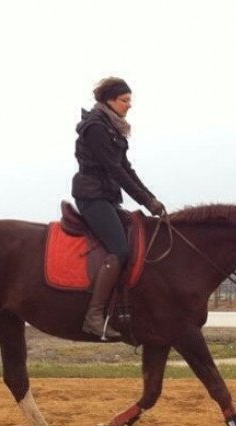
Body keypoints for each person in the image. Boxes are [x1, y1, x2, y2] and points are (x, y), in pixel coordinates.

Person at [72, 77, 165, 340]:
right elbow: (114, 170)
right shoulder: (96, 128)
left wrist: (151, 198)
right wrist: (146, 201)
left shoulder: (112, 127)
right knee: (120, 249)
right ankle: (94, 316)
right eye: (125, 100)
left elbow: (127, 169)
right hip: (92, 197)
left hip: (107, 197)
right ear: (109, 101)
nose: (129, 105)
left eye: (130, 100)